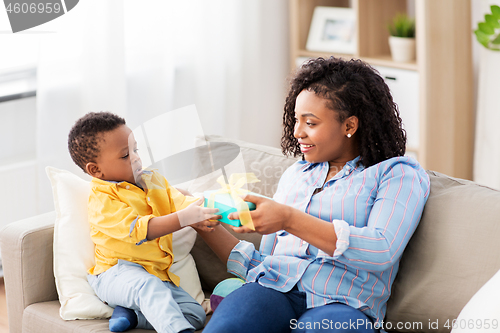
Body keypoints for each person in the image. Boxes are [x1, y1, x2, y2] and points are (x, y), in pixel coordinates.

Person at [198, 57, 430, 333]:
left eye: (310, 122)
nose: (297, 132)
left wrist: (288, 219)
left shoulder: (396, 174)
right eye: (296, 120)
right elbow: (262, 263)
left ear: (349, 126)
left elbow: (381, 249)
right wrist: (201, 221)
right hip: (271, 289)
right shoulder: (297, 175)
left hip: (344, 304)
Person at [68, 112, 220, 333]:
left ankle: (132, 314)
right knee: (148, 288)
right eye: (125, 155)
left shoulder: (152, 180)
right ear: (95, 170)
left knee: (195, 314)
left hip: (156, 275)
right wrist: (185, 219)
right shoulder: (103, 200)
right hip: (115, 274)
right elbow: (140, 229)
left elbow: (181, 203)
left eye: (135, 150)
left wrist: (206, 208)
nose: (136, 157)